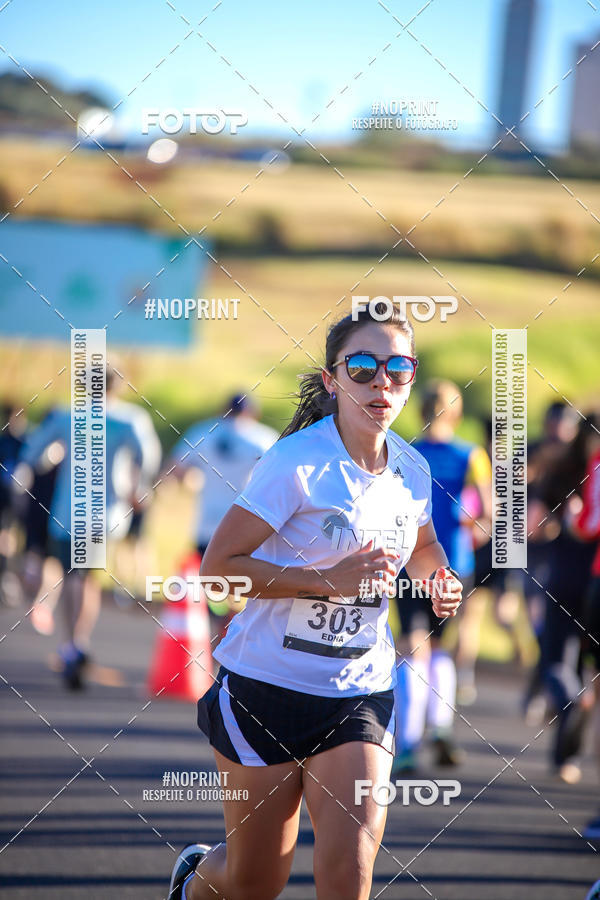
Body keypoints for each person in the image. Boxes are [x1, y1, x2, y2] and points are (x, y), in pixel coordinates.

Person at [168, 303, 463, 900]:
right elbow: (220, 569)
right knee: (253, 884)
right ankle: (196, 879)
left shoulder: (410, 466)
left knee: (350, 872)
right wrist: (328, 579)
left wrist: (439, 577)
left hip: (358, 691)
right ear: (332, 380)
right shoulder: (295, 462)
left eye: (398, 368)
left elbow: (424, 544)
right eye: (361, 365)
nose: (381, 381)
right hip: (265, 689)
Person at [16, 369, 145, 689]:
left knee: (72, 574)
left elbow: (34, 454)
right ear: (119, 386)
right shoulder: (129, 419)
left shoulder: (66, 415)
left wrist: (47, 461)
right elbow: (147, 456)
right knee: (86, 577)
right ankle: (79, 642)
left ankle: (70, 643)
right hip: (106, 512)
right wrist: (138, 486)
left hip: (67, 510)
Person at [392, 380, 491, 772]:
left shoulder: (406, 453)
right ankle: (443, 727)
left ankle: (409, 743)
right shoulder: (472, 454)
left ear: (420, 412)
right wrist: (470, 525)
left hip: (410, 561)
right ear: (458, 414)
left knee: (413, 648)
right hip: (455, 564)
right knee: (443, 649)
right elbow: (489, 512)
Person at [169, 393, 277, 643]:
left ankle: (216, 626)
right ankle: (231, 629)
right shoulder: (263, 437)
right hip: (244, 527)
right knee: (239, 583)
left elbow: (177, 470)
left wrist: (192, 482)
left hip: (207, 523)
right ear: (252, 412)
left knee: (208, 581)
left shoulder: (205, 432)